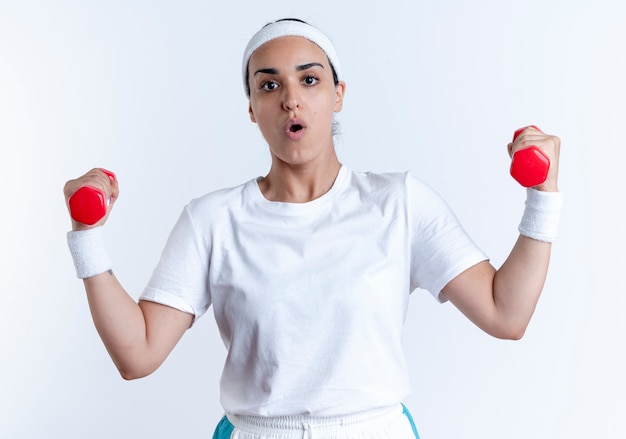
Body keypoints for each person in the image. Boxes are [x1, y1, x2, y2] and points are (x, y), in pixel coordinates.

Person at [64, 18, 563, 439]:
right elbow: (138, 354)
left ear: (338, 94)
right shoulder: (212, 220)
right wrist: (87, 237)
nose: (290, 100)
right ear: (252, 108)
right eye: (269, 84)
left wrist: (542, 195)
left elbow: (506, 313)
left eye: (309, 80)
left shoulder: (399, 203)